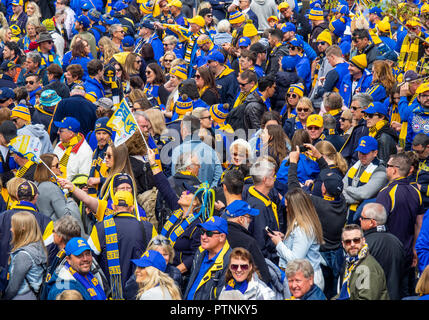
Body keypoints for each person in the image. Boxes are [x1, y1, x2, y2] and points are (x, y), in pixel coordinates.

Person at [376, 153, 425, 296]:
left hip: (389, 255)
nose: (386, 169)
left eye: (388, 166)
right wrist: (415, 249)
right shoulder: (416, 191)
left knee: (390, 293)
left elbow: (377, 224)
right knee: (407, 292)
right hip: (408, 252)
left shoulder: (386, 193)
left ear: (394, 169)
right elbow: (419, 223)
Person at [86, 190, 148, 300]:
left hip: (110, 293)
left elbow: (90, 259)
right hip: (140, 291)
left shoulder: (100, 227)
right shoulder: (148, 227)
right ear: (132, 208)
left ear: (113, 207)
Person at [267, 185, 325, 291]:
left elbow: (295, 259)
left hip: (307, 282)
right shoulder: (301, 225)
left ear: (296, 208)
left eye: (288, 207)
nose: (287, 210)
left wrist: (279, 243)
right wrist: (285, 238)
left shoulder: (303, 229)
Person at [222, 169, 271, 285]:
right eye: (249, 218)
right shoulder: (249, 242)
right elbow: (265, 276)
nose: (250, 221)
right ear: (241, 219)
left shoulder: (220, 232)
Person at [0, 180, 55, 272]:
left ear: (17, 196)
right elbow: (49, 251)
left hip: (2, 275)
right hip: (31, 277)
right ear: (36, 197)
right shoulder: (46, 221)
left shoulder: (2, 217)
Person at [360, 203, 407, 300]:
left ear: (372, 222)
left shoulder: (365, 244)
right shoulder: (397, 242)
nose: (359, 219)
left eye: (362, 217)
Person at [336, 224, 390, 300]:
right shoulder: (350, 261)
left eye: (356, 240)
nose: (352, 244)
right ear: (343, 244)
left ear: (363, 240)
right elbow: (345, 294)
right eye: (348, 241)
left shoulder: (367, 268)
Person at [184, 216, 231, 300]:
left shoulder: (230, 261)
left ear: (222, 237)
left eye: (209, 233)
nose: (203, 237)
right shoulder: (200, 252)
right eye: (202, 232)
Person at [342, 136, 388, 224]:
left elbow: (364, 194)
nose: (362, 156)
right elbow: (341, 187)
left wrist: (348, 190)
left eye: (365, 153)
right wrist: (356, 198)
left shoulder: (381, 170)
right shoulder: (357, 165)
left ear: (375, 153)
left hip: (366, 219)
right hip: (347, 214)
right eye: (360, 152)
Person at [3, 211, 47, 300]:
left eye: (13, 226)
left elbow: (13, 288)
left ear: (22, 228)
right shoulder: (39, 247)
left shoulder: (23, 255)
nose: (11, 229)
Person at [171, 114, 223, 187]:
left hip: (184, 195)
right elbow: (219, 177)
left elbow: (175, 177)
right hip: (206, 195)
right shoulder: (211, 151)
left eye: (181, 129)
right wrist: (208, 193)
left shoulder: (177, 151)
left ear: (184, 129)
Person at [33, 153, 81, 223]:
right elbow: (66, 216)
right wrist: (71, 202)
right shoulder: (51, 188)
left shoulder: (35, 184)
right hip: (56, 229)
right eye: (57, 165)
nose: (60, 167)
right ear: (48, 168)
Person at [53, 117, 92, 181]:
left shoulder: (85, 151)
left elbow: (83, 179)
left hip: (71, 190)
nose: (57, 132)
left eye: (61, 130)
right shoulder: (59, 145)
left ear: (71, 133)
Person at [340, 93, 372, 166]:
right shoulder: (360, 126)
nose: (351, 111)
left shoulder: (363, 129)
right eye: (351, 108)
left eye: (354, 108)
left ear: (365, 109)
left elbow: (357, 157)